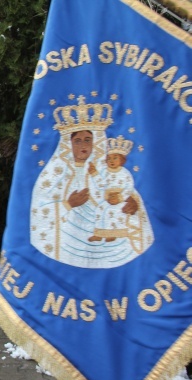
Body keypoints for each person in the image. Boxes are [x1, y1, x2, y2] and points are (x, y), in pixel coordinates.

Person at [30, 99, 152, 268]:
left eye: (88, 140)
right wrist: (68, 203)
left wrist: (133, 203)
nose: (83, 145)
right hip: (67, 251)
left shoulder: (108, 171)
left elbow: (125, 189)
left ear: (96, 142)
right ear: (68, 144)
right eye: (77, 141)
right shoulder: (51, 177)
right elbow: (39, 212)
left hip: (117, 250)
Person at [89, 136, 136, 243]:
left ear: (122, 160)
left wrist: (120, 197)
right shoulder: (105, 172)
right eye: (109, 158)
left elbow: (129, 187)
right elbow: (101, 184)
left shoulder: (125, 173)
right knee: (100, 210)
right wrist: (95, 174)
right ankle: (99, 234)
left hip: (120, 199)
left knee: (115, 213)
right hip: (108, 199)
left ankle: (114, 233)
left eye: (115, 158)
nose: (111, 161)